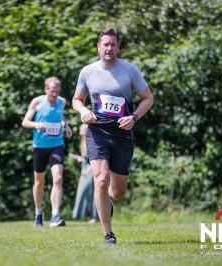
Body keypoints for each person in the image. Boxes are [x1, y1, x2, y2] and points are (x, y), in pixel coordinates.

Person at [72, 28, 154, 244]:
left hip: (122, 134)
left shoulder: (129, 70)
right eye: (105, 44)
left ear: (118, 47)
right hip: (97, 131)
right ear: (98, 47)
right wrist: (83, 111)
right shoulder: (88, 71)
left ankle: (107, 204)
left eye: (113, 44)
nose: (109, 48)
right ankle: (108, 234)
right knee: (101, 180)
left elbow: (147, 98)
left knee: (116, 193)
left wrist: (134, 117)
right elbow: (77, 99)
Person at [22, 76, 72, 227]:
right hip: (39, 146)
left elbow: (60, 116)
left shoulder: (62, 102)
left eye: (57, 91)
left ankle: (55, 215)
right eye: (52, 92)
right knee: (39, 182)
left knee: (58, 178)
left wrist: (66, 125)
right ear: (46, 90)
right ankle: (38, 213)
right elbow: (24, 122)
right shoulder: (37, 102)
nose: (54, 95)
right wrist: (38, 125)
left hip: (56, 144)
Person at [71, 124, 99, 224]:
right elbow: (86, 159)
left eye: (84, 129)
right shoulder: (83, 142)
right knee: (85, 193)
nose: (81, 131)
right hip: (85, 168)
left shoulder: (91, 141)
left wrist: (88, 170)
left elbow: (96, 157)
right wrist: (80, 159)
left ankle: (95, 217)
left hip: (91, 170)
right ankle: (84, 215)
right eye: (81, 129)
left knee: (93, 193)